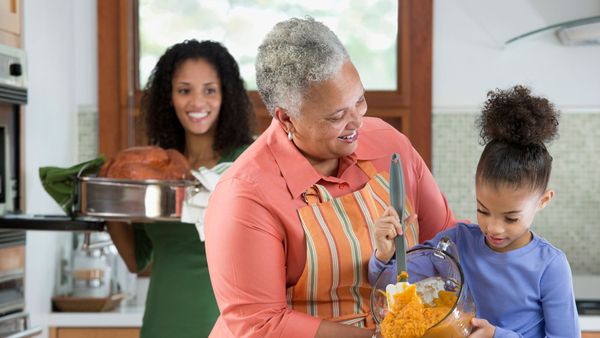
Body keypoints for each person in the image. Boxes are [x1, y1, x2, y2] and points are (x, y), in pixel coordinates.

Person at [204, 17, 457, 338]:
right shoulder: (244, 195)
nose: (357, 123)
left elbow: (447, 245)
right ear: (286, 118)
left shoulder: (388, 145)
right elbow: (261, 324)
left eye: (359, 101)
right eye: (337, 116)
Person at [369, 85, 580, 337]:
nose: (493, 227)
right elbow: (392, 285)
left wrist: (496, 335)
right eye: (483, 210)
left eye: (510, 218)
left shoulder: (550, 266)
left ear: (543, 201)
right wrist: (384, 254)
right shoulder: (455, 243)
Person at [107, 39, 255, 338]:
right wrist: (109, 197)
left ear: (227, 96)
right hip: (161, 324)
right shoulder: (156, 167)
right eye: (184, 90)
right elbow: (137, 259)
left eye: (210, 90)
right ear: (169, 97)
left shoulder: (248, 162)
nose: (197, 102)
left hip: (226, 327)